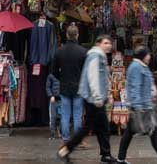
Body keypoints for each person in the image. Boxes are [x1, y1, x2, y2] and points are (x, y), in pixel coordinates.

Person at [116, 46, 157, 164]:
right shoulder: (137, 67)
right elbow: (135, 87)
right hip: (142, 107)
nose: (150, 56)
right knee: (152, 132)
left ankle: (121, 158)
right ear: (143, 55)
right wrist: (137, 106)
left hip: (143, 105)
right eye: (148, 54)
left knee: (132, 132)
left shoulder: (139, 66)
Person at [57, 35, 113, 163]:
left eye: (109, 43)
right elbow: (93, 77)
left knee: (102, 127)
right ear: (98, 43)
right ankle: (65, 149)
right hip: (94, 99)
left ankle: (106, 154)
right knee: (88, 128)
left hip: (96, 98)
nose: (108, 45)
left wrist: (107, 94)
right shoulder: (95, 56)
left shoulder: (99, 55)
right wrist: (98, 97)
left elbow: (103, 78)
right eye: (105, 43)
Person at [50, 24, 88, 144]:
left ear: (67, 35)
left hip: (64, 86)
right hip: (78, 86)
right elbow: (86, 71)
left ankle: (65, 138)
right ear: (77, 35)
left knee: (65, 114)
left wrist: (61, 78)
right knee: (77, 114)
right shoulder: (83, 52)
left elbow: (53, 71)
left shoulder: (59, 51)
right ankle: (77, 140)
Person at [47, 71, 62, 138]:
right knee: (52, 118)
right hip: (53, 100)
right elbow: (48, 87)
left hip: (62, 100)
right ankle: (52, 134)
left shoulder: (65, 73)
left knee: (62, 118)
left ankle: (61, 132)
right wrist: (51, 95)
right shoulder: (51, 75)